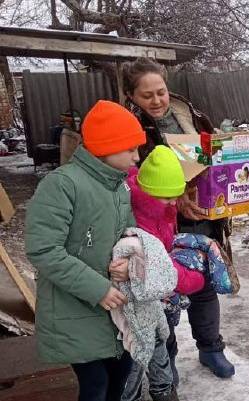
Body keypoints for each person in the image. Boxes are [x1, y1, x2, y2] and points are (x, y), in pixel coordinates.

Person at [121, 57, 249, 379]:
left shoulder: (191, 115)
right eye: (146, 95)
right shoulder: (128, 129)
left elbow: (218, 157)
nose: (157, 100)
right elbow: (128, 180)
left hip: (203, 215)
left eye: (160, 91)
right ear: (132, 96)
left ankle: (211, 349)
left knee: (203, 282)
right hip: (157, 224)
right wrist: (171, 202)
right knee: (166, 294)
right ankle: (169, 359)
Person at [25, 100, 147, 401]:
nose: (137, 156)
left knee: (119, 378)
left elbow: (128, 235)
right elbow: (43, 249)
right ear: (106, 147)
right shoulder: (62, 185)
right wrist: (98, 288)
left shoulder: (118, 186)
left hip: (114, 308)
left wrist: (128, 260)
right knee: (95, 386)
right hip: (75, 309)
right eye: (130, 148)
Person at [120, 145, 207, 401]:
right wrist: (192, 279)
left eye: (175, 195)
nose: (173, 202)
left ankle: (165, 388)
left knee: (164, 343)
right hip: (140, 303)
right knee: (139, 354)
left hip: (160, 300)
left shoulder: (161, 208)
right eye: (167, 197)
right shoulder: (138, 222)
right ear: (149, 192)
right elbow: (157, 269)